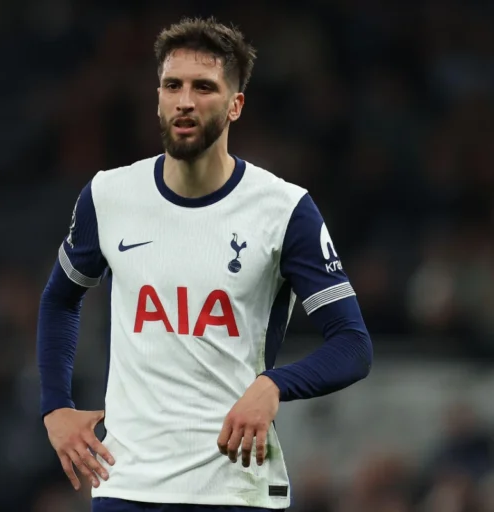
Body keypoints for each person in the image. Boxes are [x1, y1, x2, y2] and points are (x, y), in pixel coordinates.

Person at [37, 16, 373, 512]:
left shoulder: (284, 211)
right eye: (172, 85)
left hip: (235, 490)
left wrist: (274, 384)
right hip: (128, 486)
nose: (185, 101)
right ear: (157, 97)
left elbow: (353, 345)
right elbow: (61, 298)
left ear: (235, 105)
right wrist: (55, 407)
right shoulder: (109, 195)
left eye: (204, 87)